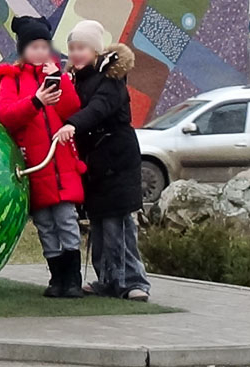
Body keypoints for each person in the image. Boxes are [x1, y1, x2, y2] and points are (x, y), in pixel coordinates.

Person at [55, 19, 151, 302]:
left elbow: (99, 108)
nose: (75, 53)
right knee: (99, 223)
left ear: (95, 51)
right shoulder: (75, 80)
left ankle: (134, 282)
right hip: (94, 165)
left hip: (117, 162)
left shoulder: (111, 79)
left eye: (81, 47)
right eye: (72, 48)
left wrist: (72, 124)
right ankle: (106, 279)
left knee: (118, 223)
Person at [0, 15, 86, 298]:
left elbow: (71, 109)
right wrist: (36, 101)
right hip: (34, 167)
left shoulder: (55, 74)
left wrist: (58, 79)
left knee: (67, 220)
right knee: (45, 224)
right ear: (23, 50)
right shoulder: (12, 79)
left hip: (62, 164)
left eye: (45, 46)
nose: (41, 52)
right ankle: (56, 279)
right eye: (34, 47)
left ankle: (73, 281)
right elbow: (6, 115)